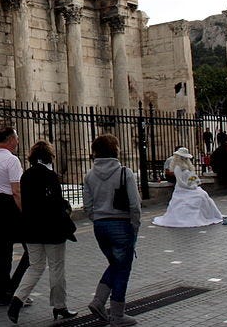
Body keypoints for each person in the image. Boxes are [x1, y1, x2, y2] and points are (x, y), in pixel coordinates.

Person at [6, 141, 77, 324]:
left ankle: (16, 301)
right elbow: (56, 202)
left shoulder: (26, 176)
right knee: (56, 267)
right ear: (49, 156)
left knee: (35, 267)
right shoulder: (50, 176)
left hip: (31, 229)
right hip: (52, 230)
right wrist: (66, 210)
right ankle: (60, 306)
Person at [83, 134, 141, 327]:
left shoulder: (89, 175)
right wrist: (134, 226)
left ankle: (99, 301)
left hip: (100, 226)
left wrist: (98, 219)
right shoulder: (125, 172)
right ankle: (117, 314)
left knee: (116, 264)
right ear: (115, 150)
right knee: (122, 268)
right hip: (121, 224)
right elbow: (135, 205)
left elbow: (87, 207)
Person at [0, 126, 29, 307]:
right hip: (11, 209)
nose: (18, 142)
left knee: (3, 255)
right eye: (16, 139)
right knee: (31, 252)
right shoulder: (12, 161)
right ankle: (14, 290)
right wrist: (25, 212)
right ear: (10, 140)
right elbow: (16, 191)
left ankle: (1, 294)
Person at [152, 147, 223, 227]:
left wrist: (194, 183)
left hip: (191, 187)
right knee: (197, 197)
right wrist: (189, 187)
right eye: (183, 157)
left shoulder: (187, 166)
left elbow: (191, 177)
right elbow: (180, 182)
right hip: (182, 189)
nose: (184, 158)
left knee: (203, 194)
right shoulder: (177, 167)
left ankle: (208, 215)